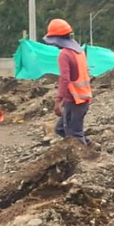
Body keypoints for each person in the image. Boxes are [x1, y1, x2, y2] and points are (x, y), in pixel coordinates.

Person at [42, 18, 94, 147]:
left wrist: (58, 101)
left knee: (74, 135)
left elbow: (64, 79)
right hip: (82, 98)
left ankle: (86, 157)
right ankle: (89, 147)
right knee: (60, 129)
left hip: (75, 100)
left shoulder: (65, 54)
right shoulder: (79, 52)